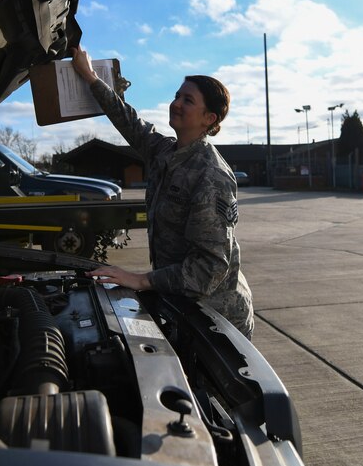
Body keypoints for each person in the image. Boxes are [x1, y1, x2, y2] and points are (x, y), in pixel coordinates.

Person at [69, 44, 255, 338]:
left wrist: (141, 280)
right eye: (177, 96)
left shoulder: (211, 175)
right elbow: (129, 122)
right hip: (184, 304)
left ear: (210, 118)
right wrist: (90, 77)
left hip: (217, 320)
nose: (177, 103)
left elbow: (208, 268)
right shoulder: (165, 152)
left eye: (188, 100)